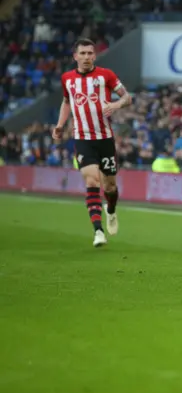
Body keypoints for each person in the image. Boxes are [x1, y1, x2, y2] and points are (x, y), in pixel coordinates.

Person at [52, 38, 132, 247]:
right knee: (91, 182)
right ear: (75, 56)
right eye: (83, 53)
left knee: (110, 187)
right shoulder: (67, 79)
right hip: (83, 138)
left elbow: (127, 97)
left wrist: (115, 105)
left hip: (105, 139)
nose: (86, 57)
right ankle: (98, 231)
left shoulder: (106, 75)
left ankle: (111, 210)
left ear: (95, 56)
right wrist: (60, 125)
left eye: (90, 53)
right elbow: (67, 101)